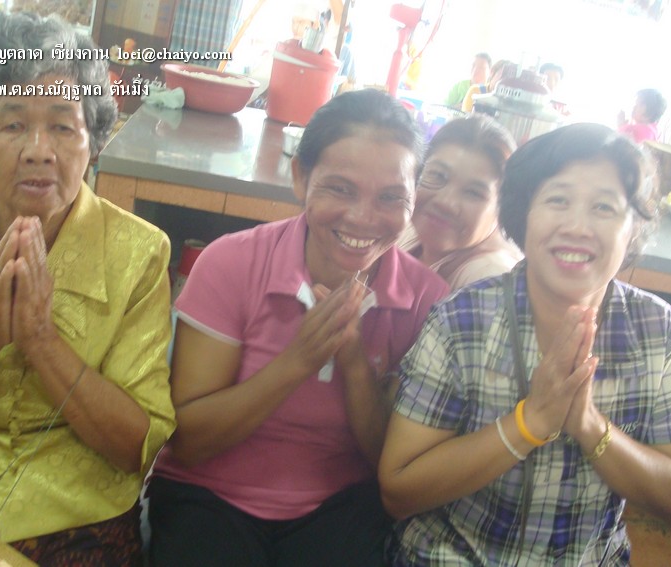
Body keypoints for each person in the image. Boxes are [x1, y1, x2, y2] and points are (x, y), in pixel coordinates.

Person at [147, 89, 449, 567]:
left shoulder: (427, 301)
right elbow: (189, 442)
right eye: (340, 189)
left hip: (343, 504)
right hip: (208, 495)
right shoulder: (232, 263)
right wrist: (298, 361)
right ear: (300, 177)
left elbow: (394, 467)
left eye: (392, 197)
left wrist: (355, 367)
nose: (363, 218)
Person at [379, 123, 671, 565]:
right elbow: (399, 491)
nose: (578, 227)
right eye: (557, 200)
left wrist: (589, 426)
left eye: (604, 207)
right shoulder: (461, 320)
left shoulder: (656, 329)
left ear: (633, 230)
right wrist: (530, 422)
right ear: (523, 215)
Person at [0, 11, 176, 565]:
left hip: (76, 518)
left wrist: (42, 340)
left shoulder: (140, 253)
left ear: (93, 143)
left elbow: (135, 449)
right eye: (12, 125)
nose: (39, 150)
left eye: (63, 127)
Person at [399, 114, 522, 289]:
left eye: (473, 193)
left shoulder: (489, 282)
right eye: (438, 175)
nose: (446, 202)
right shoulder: (408, 229)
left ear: (502, 209)